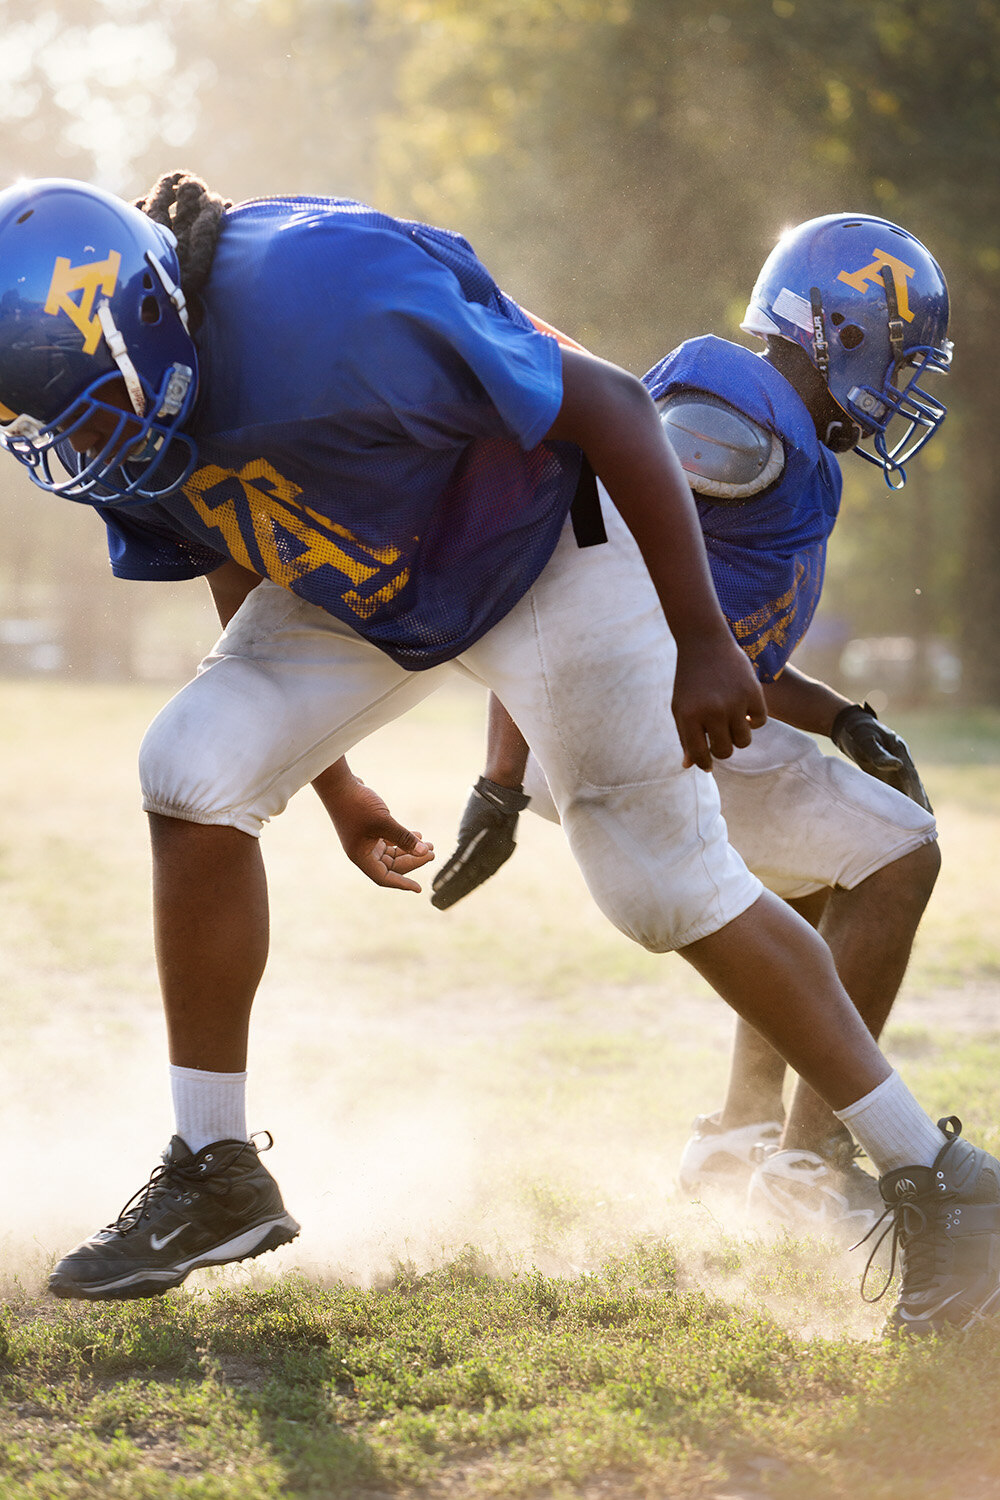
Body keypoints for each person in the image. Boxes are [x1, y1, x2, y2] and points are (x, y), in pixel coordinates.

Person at [0, 177, 995, 1338]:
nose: (80, 445)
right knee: (192, 766)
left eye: (90, 405)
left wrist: (699, 637)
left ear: (153, 320)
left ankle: (941, 1187)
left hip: (544, 547)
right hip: (384, 574)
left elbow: (616, 407)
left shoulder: (334, 294)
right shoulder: (118, 398)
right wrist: (332, 780)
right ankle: (217, 1169)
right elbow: (236, 533)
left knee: (663, 883)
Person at [430, 216, 948, 1245]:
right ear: (839, 333)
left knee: (808, 875)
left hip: (671, 714)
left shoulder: (776, 440)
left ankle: (738, 1137)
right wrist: (502, 770)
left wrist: (842, 717)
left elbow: (726, 641)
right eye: (895, 354)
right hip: (630, 724)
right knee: (898, 857)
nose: (903, 384)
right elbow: (571, 563)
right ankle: (807, 1159)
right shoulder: (728, 417)